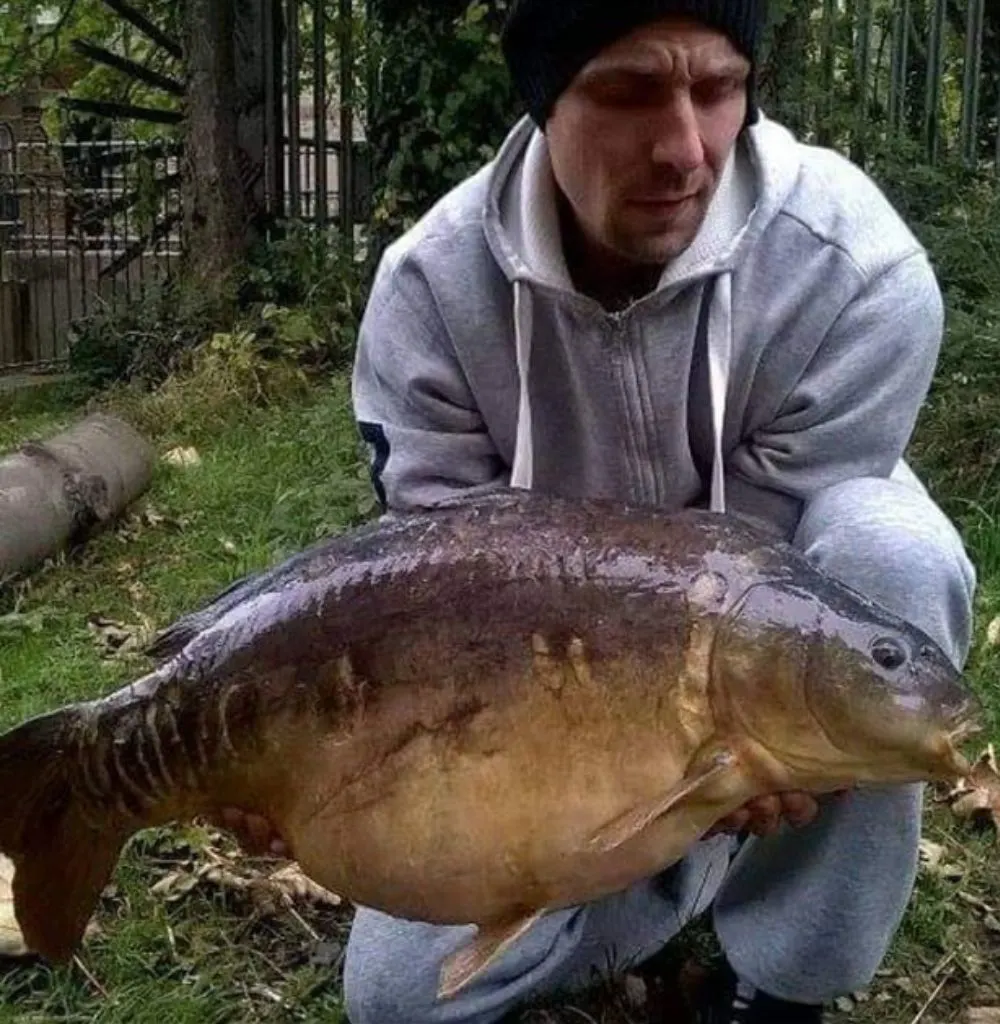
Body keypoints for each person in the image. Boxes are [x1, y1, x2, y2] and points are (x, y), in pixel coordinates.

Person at [220, 1, 978, 1021]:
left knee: (890, 553)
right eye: (628, 92)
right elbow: (423, 617)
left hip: (742, 645)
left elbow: (763, 580)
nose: (683, 148)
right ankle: (656, 873)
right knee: (397, 1003)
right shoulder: (431, 296)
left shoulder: (856, 274)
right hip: (529, 693)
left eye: (718, 90)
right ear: (543, 100)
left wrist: (741, 741)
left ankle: (786, 972)